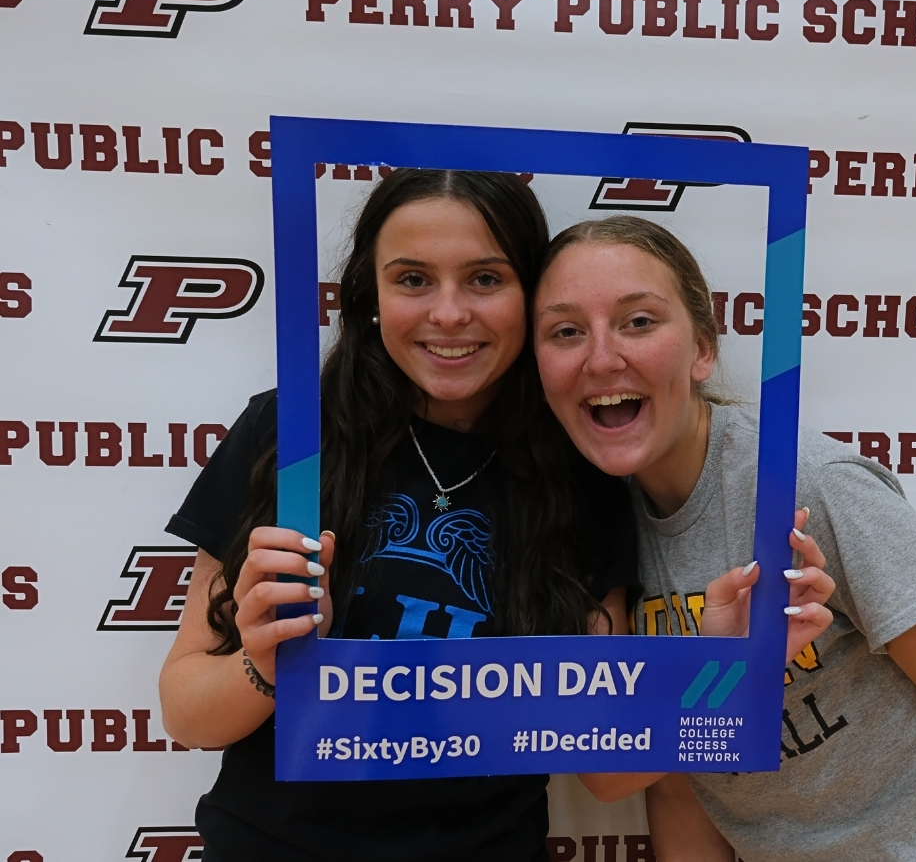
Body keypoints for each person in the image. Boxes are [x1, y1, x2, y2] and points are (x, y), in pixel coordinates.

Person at [158, 171, 832, 862]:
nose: (449, 314)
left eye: (485, 279)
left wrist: (725, 665)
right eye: (412, 279)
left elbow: (604, 767)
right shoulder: (292, 433)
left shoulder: (580, 471)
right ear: (369, 295)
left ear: (530, 298)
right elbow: (186, 709)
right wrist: (264, 665)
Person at [532, 215, 916, 862]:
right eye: (566, 331)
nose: (601, 356)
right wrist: (726, 668)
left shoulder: (807, 484)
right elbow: (672, 786)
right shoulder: (594, 535)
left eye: (638, 321)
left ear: (701, 348)